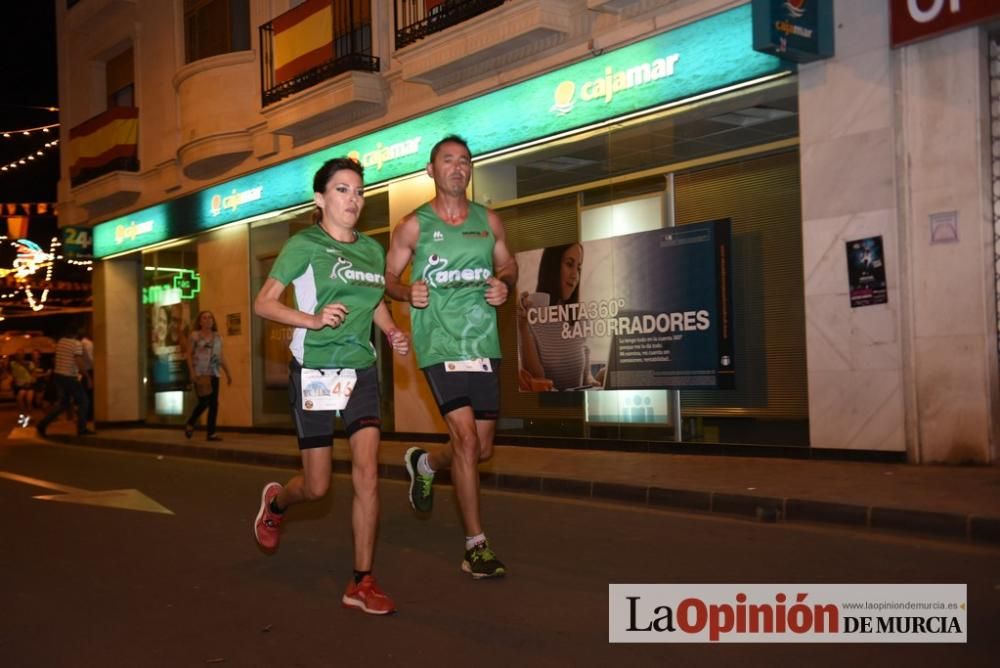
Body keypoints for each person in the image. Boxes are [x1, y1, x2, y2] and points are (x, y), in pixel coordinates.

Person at [253, 157, 410, 615]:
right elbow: (264, 304)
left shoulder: (372, 252)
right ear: (320, 199)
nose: (353, 200)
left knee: (367, 474)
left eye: (358, 191)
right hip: (316, 369)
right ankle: (278, 502)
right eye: (342, 190)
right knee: (318, 487)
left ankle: (361, 581)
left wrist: (392, 330)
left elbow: (374, 303)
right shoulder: (304, 245)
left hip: (359, 369)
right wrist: (313, 319)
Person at [385, 134, 517, 579]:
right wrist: (406, 290)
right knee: (464, 439)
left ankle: (425, 463)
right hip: (439, 343)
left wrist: (505, 283)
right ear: (431, 170)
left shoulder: (489, 221)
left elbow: (509, 264)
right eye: (448, 160)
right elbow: (387, 276)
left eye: (464, 161)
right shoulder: (414, 225)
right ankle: (475, 546)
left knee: (479, 449)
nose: (457, 167)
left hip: (483, 344)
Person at [517, 243, 604, 391]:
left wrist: (595, 380)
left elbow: (585, 375)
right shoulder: (529, 314)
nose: (575, 275)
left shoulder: (580, 318)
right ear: (552, 266)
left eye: (579, 268)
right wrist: (523, 325)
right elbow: (536, 379)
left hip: (579, 406)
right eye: (569, 264)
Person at [183, 311, 232, 441]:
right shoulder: (194, 336)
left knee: (214, 403)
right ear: (200, 321)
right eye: (204, 318)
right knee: (204, 402)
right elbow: (188, 354)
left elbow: (220, 356)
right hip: (200, 373)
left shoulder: (217, 337)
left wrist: (228, 373)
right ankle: (191, 422)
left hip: (214, 373)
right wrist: (192, 372)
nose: (208, 320)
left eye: (210, 317)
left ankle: (211, 433)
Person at [36, 327, 93, 437]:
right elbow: (78, 361)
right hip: (69, 377)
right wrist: (87, 377)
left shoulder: (61, 342)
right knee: (84, 401)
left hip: (58, 376)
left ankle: (42, 424)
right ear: (77, 335)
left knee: (63, 404)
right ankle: (82, 428)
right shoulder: (76, 344)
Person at [10, 350, 35, 426]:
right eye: (18, 355)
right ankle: (24, 415)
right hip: (20, 385)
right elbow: (13, 373)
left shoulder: (29, 363)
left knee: (28, 400)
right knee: (20, 399)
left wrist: (26, 366)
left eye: (21, 354)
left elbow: (33, 373)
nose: (20, 356)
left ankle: (28, 414)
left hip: (29, 384)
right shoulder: (13, 364)